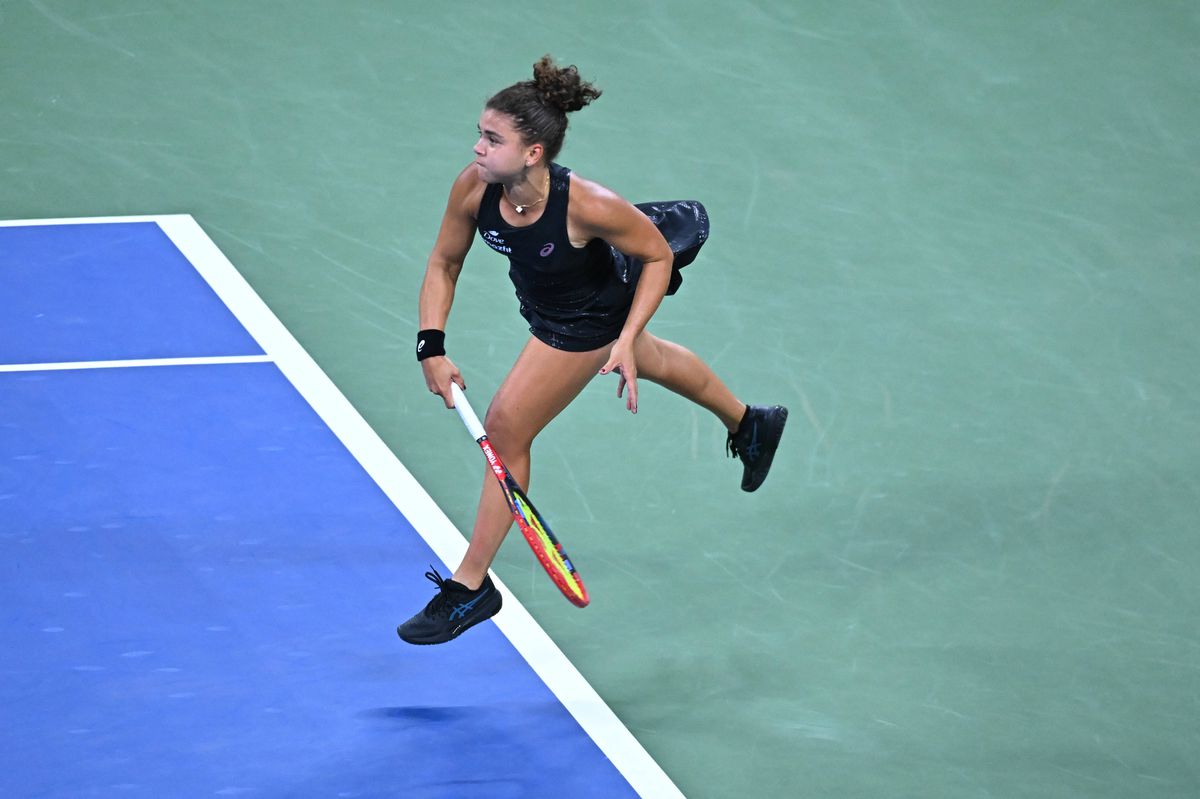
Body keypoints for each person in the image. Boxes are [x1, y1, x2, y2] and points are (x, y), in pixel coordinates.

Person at [398, 56, 787, 645]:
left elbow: (657, 255)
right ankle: (750, 422)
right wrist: (431, 344)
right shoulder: (474, 188)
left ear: (533, 153)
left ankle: (469, 586)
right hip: (548, 306)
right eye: (480, 133)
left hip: (586, 321)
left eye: (493, 139)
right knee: (655, 359)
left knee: (505, 431)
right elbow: (444, 262)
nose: (478, 147)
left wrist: (624, 337)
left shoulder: (586, 204)